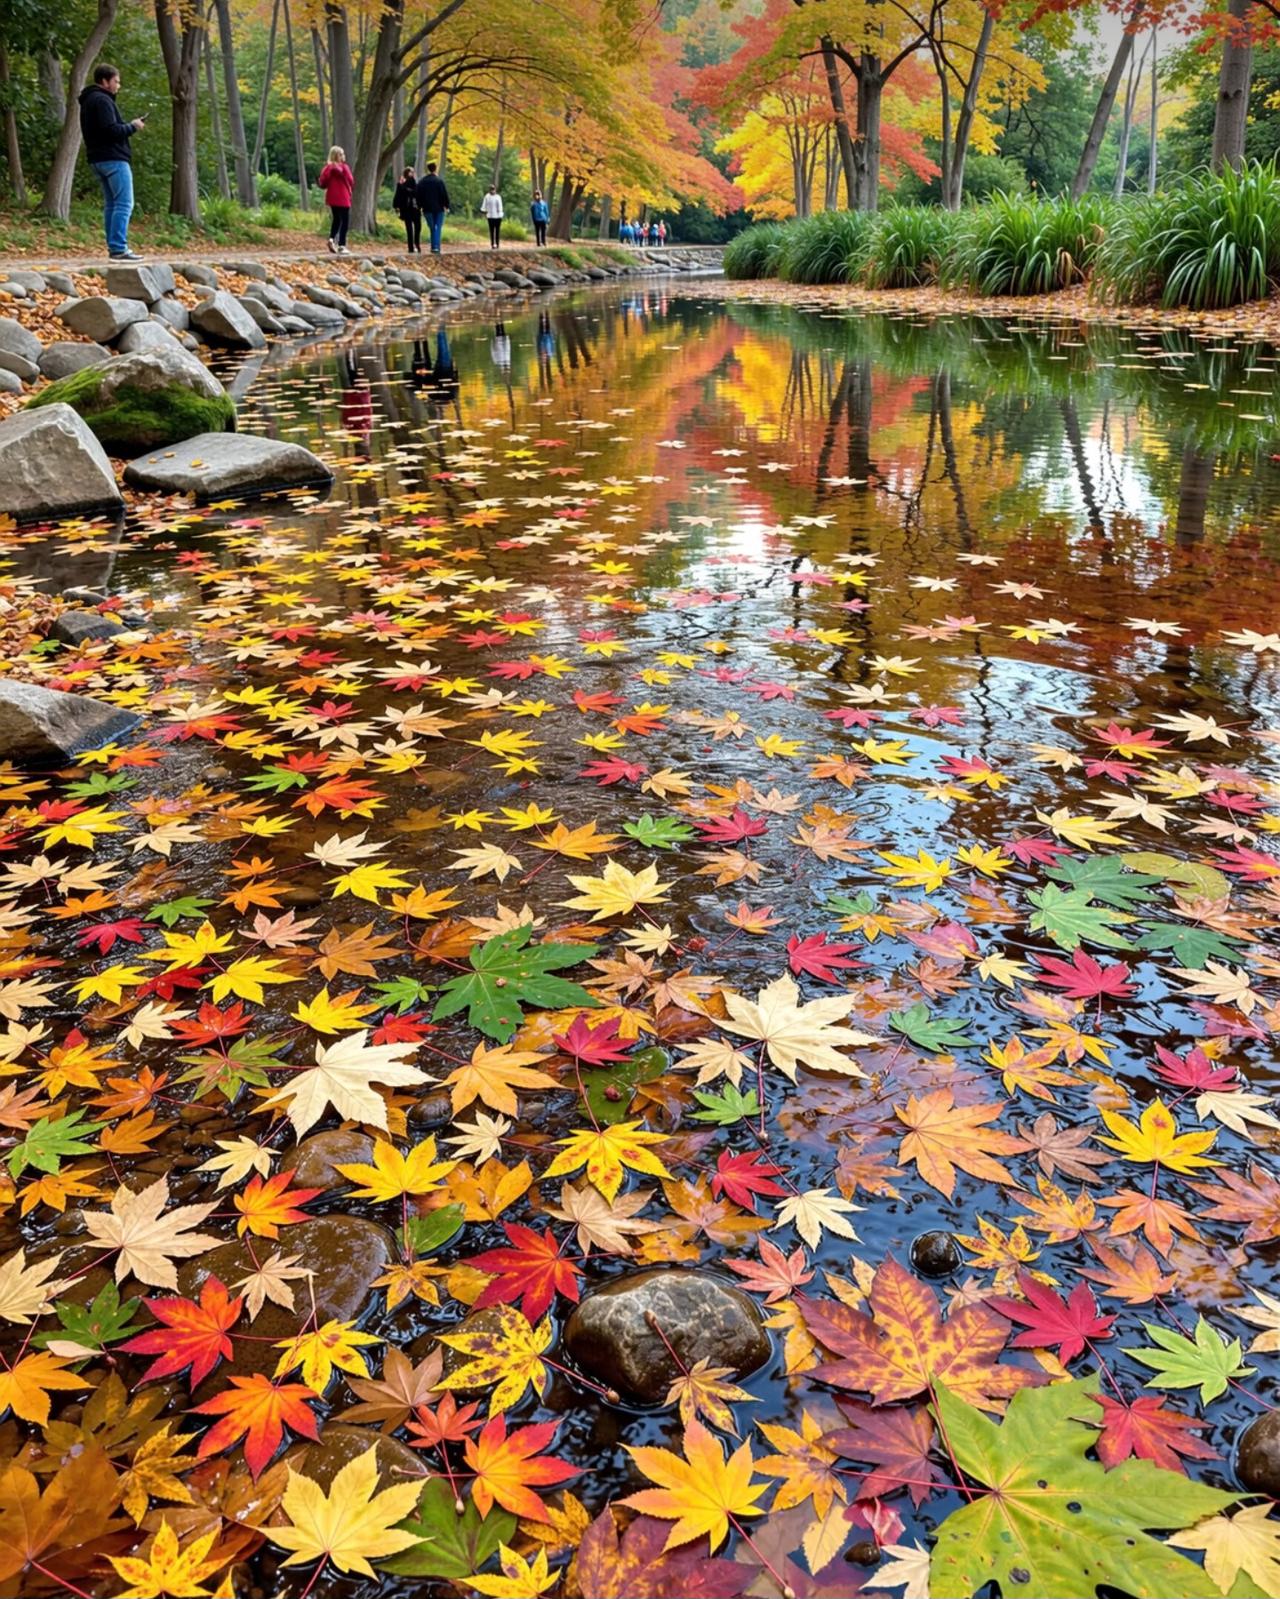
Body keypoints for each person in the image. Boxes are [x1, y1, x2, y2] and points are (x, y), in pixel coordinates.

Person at [79, 64, 146, 261]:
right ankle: (118, 248)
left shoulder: (89, 100)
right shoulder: (102, 101)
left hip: (97, 158)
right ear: (105, 81)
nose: (119, 85)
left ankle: (114, 247)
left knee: (112, 204)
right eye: (116, 81)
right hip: (113, 159)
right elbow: (111, 131)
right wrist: (132, 127)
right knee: (125, 203)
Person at [318, 146, 354, 253]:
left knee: (336, 219)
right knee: (345, 221)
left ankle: (331, 239)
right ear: (336, 156)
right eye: (341, 154)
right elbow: (351, 181)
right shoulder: (344, 167)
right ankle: (342, 245)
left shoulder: (327, 168)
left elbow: (323, 183)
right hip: (343, 197)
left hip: (332, 197)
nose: (343, 156)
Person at [416, 162, 450, 255]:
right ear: (435, 169)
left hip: (427, 208)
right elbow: (444, 195)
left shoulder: (422, 182)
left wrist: (420, 206)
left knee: (431, 227)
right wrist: (446, 205)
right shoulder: (439, 181)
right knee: (437, 227)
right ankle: (436, 247)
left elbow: (418, 195)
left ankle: (433, 246)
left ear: (428, 169)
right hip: (438, 208)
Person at [393, 166, 422, 253]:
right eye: (410, 172)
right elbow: (398, 196)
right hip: (406, 209)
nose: (412, 174)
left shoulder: (415, 184)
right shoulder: (402, 185)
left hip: (415, 208)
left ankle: (416, 243)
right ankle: (411, 247)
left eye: (413, 172)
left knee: (417, 227)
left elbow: (419, 195)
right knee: (409, 229)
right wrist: (397, 207)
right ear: (406, 173)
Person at [480, 184, 504, 250]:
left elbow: (500, 207)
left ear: (495, 190)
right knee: (491, 230)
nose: (492, 191)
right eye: (491, 189)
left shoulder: (498, 197)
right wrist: (483, 211)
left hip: (498, 216)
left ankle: (497, 244)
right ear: (489, 190)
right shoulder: (487, 197)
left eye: (493, 189)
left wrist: (501, 214)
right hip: (490, 216)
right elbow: (484, 205)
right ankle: (492, 244)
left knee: (497, 231)